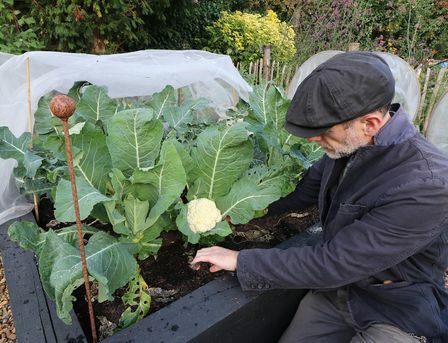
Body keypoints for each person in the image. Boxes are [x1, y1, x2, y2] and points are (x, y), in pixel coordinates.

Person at [192, 52, 448, 342]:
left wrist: (242, 260)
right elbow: (301, 194)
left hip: (397, 308)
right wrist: (234, 208)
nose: (312, 139)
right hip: (341, 293)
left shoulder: (427, 185)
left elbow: (335, 263)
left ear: (371, 123)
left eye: (322, 131)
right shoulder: (349, 147)